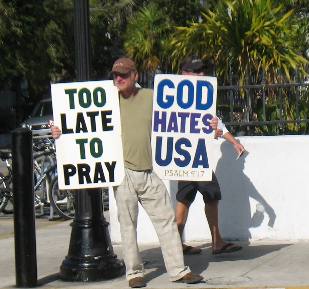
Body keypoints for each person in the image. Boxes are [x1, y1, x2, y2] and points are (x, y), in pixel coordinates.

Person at [51, 57, 203, 288]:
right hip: (122, 174)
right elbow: (78, 121)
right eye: (115, 75)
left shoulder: (151, 97)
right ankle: (134, 274)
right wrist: (60, 131)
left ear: (135, 76)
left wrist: (210, 124)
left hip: (149, 172)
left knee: (167, 221)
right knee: (127, 225)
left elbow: (183, 114)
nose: (118, 79)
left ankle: (179, 270)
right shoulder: (106, 101)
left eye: (123, 74)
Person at [175, 56, 245, 255]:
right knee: (208, 196)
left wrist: (233, 141)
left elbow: (216, 124)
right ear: (185, 73)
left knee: (185, 199)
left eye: (202, 71)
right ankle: (216, 242)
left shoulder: (200, 97)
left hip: (190, 160)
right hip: (192, 158)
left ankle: (177, 245)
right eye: (196, 71)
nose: (201, 75)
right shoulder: (178, 97)